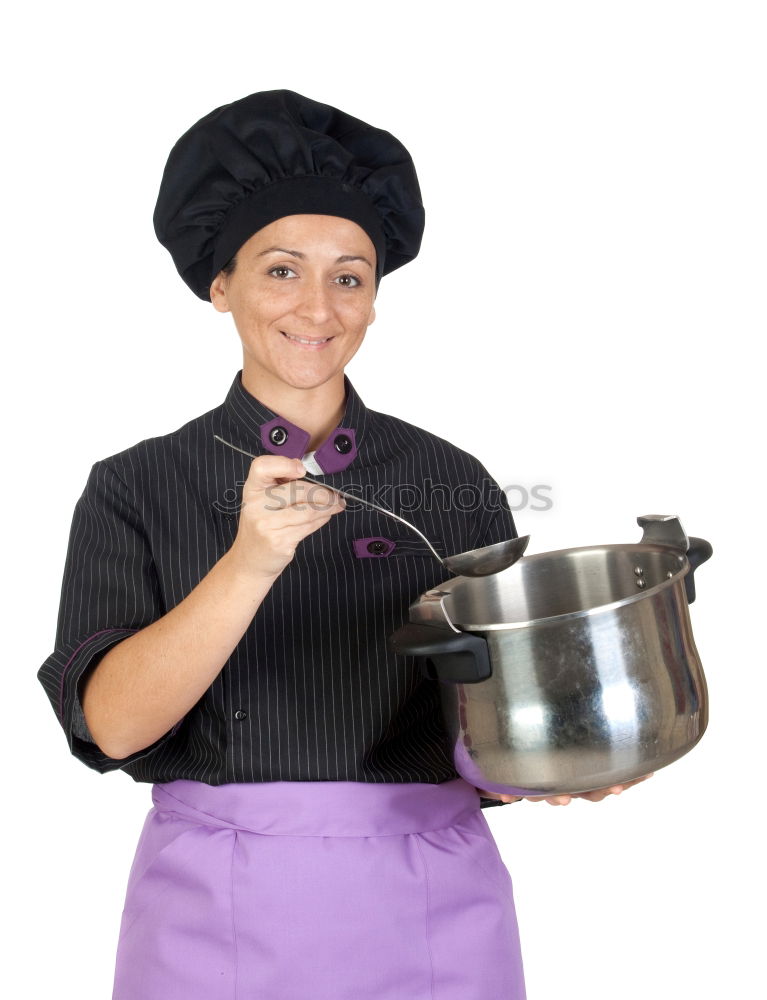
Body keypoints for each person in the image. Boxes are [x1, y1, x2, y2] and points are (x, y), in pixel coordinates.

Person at [37, 89, 647, 1000]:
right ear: (220, 284)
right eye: (281, 270)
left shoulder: (450, 479)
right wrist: (248, 562)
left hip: (432, 902)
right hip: (218, 907)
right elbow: (115, 728)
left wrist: (557, 763)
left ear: (373, 297)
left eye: (349, 276)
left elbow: (495, 718)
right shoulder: (135, 485)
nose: (317, 307)